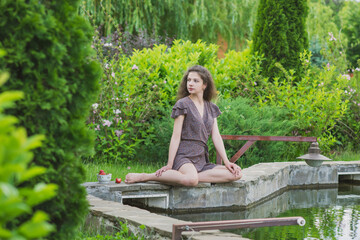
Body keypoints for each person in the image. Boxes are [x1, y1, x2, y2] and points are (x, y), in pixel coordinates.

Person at [125, 65, 242, 186]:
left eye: (196, 81)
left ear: (204, 85)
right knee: (191, 180)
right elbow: (176, 136)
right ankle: (147, 176)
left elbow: (216, 137)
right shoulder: (182, 104)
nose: (190, 83)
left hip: (201, 158)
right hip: (184, 156)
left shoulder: (212, 108)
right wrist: (170, 164)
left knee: (236, 174)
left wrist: (227, 162)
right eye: (189, 80)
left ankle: (185, 176)